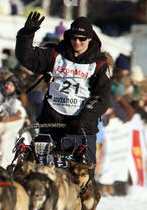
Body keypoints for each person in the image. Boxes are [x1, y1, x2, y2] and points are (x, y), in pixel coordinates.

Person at [15, 12, 111, 165]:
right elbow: (27, 58)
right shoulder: (55, 55)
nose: (77, 42)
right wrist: (26, 34)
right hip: (52, 122)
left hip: (81, 129)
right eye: (74, 38)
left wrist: (82, 120)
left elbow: (102, 98)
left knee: (82, 179)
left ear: (90, 38)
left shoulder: (98, 65)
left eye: (82, 39)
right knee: (44, 175)